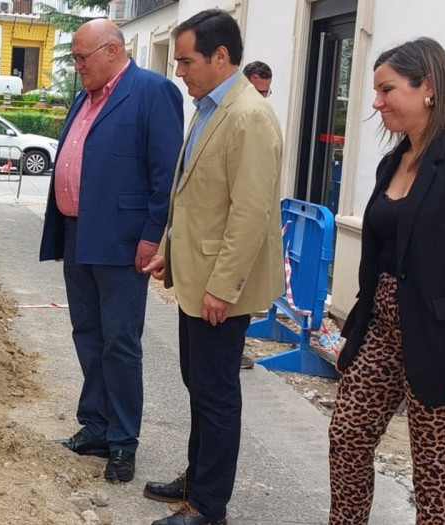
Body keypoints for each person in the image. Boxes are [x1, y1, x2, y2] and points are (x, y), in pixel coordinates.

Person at [328, 37, 445, 525]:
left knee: (434, 472)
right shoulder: (394, 161)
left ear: (428, 87)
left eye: (386, 89)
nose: (375, 102)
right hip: (382, 328)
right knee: (347, 435)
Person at [141, 9, 283, 525]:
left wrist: (223, 288)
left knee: (217, 393)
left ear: (221, 56)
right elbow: (196, 196)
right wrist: (169, 248)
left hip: (221, 289)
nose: (179, 70)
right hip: (197, 278)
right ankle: (197, 477)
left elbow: (249, 213)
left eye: (186, 60)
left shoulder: (248, 115)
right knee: (199, 383)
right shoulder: (208, 107)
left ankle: (207, 506)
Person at [38, 19, 183, 484]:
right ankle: (96, 425)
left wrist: (151, 235)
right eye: (76, 58)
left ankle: (123, 441)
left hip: (122, 240)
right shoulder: (85, 95)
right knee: (87, 332)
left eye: (83, 58)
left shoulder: (152, 91)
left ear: (113, 50)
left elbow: (165, 176)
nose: (77, 67)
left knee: (120, 343)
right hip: (79, 232)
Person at [236, 59, 275, 371]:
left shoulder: (260, 118)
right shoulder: (238, 114)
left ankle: (235, 350)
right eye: (256, 90)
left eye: (266, 93)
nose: (260, 98)